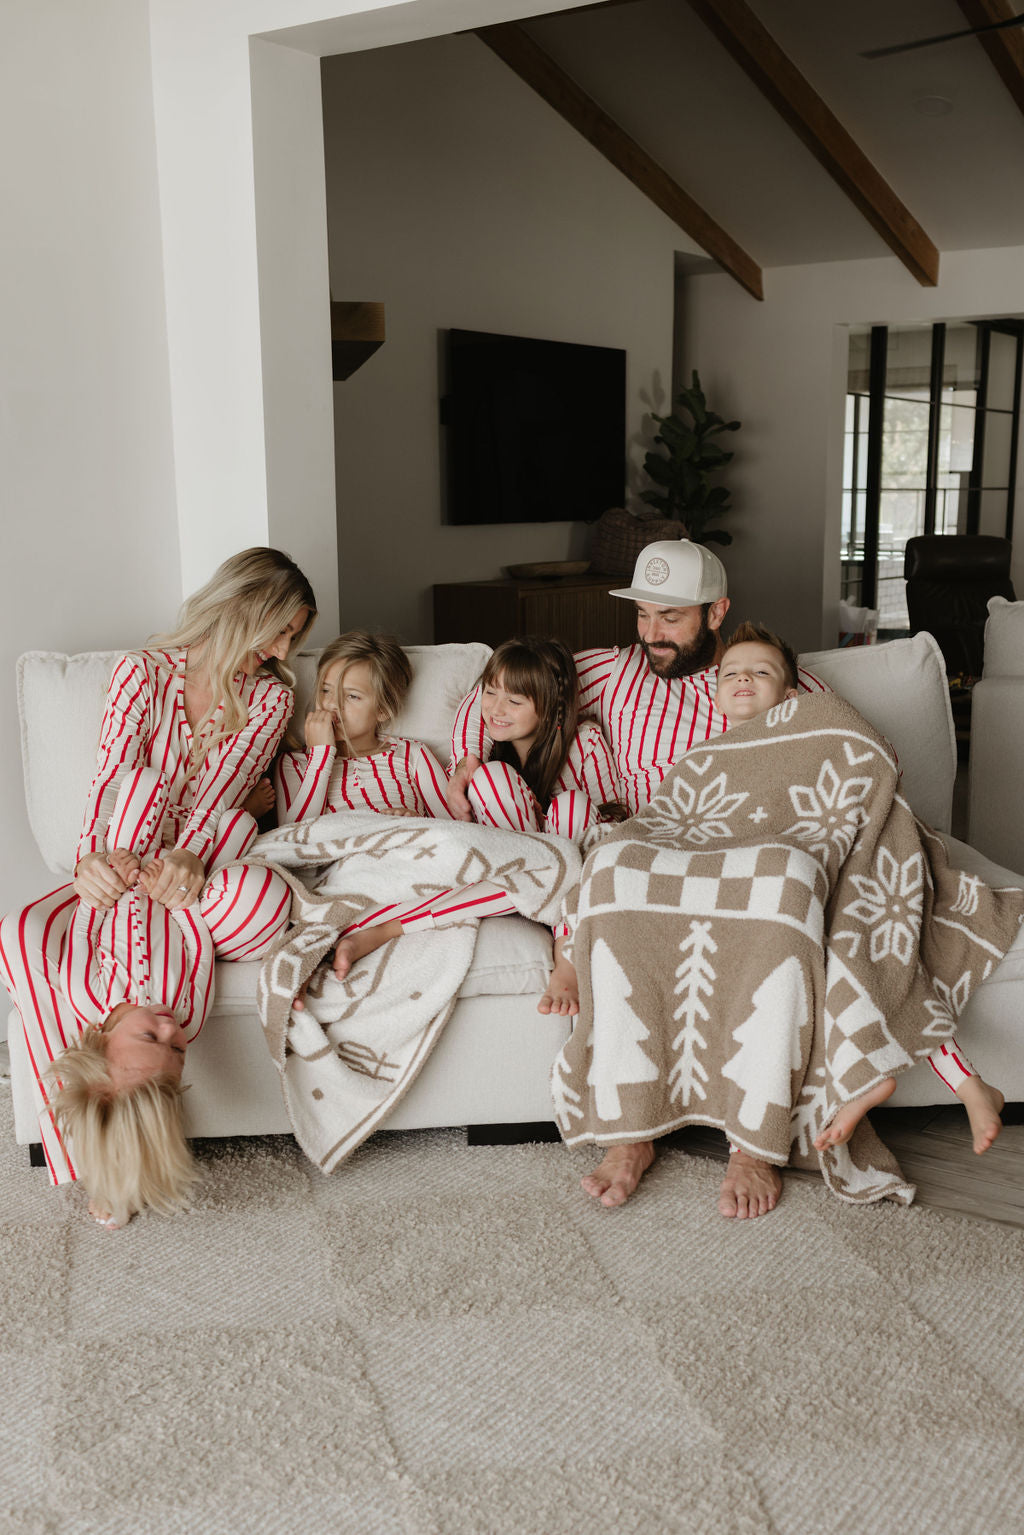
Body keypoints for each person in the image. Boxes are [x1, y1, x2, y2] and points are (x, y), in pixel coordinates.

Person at [570, 621, 1007, 1220]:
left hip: (796, 862)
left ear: (791, 690)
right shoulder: (703, 754)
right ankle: (630, 1132)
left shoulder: (822, 721)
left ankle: (753, 1146)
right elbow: (674, 818)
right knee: (613, 863)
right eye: (730, 673)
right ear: (715, 691)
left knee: (785, 880)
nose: (743, 679)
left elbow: (868, 773)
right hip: (717, 863)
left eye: (761, 671)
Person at [0, 546, 314, 1204]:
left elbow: (222, 799)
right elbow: (111, 779)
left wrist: (192, 858)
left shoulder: (269, 700)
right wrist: (92, 860)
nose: (285, 649)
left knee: (250, 882)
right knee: (22, 933)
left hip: (198, 872)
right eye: (281, 627)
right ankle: (83, 1155)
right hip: (118, 853)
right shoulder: (141, 674)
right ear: (242, 606)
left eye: (295, 635)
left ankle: (101, 1151)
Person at [294, 636, 622, 1014]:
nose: (496, 710)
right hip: (517, 877)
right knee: (493, 779)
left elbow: (606, 828)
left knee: (572, 807)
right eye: (491, 693)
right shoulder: (482, 761)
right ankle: (542, 898)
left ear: (552, 710)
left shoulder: (584, 742)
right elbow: (454, 829)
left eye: (514, 701)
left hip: (564, 870)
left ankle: (563, 937)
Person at [41, 766, 289, 1228]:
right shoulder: (189, 1016)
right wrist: (184, 904)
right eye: (177, 1050)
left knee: (142, 782)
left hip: (125, 872)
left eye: (149, 1037)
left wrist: (111, 880)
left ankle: (116, 1186)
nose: (171, 1029)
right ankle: (123, 1188)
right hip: (178, 885)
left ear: (101, 1047)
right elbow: (200, 952)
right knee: (236, 826)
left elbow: (85, 924)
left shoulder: (84, 994)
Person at [446, 540, 828, 823]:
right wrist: (468, 759)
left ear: (716, 612)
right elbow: (495, 692)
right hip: (630, 843)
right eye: (642, 614)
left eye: (670, 618)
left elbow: (844, 739)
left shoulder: (762, 675)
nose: (650, 634)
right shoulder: (618, 668)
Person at [271, 630, 452, 823]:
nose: (332, 704)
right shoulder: (295, 763)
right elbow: (292, 834)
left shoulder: (413, 755)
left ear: (383, 709)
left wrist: (417, 822)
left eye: (352, 696)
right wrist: (321, 755)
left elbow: (454, 828)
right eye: (325, 690)